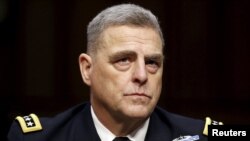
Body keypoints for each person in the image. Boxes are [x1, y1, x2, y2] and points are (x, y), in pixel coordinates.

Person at [7, 3, 223, 141]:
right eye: (123, 60)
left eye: (152, 62)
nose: (142, 75)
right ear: (87, 69)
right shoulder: (36, 138)